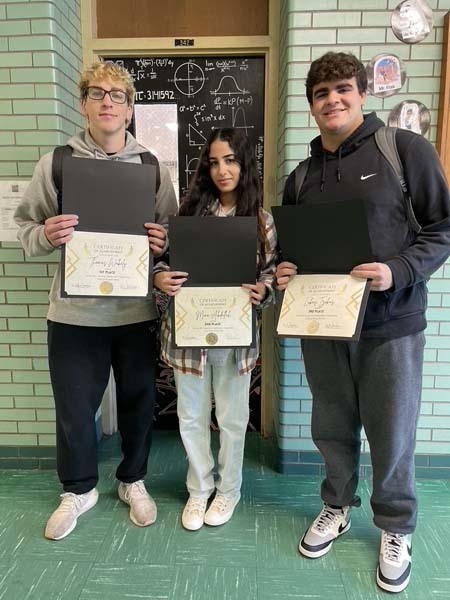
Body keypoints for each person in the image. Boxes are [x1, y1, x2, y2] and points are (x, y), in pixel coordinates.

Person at [276, 52, 450, 593]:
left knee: (391, 432)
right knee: (331, 427)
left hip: (391, 324)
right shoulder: (301, 175)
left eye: (343, 89)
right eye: (322, 93)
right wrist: (285, 269)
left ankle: (395, 527)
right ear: (310, 105)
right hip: (323, 325)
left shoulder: (404, 150)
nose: (333, 100)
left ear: (362, 94)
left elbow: (442, 228)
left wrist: (397, 269)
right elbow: (292, 248)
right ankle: (336, 506)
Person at [14, 61, 178, 540]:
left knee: (138, 402)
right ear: (83, 103)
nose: (108, 102)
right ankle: (78, 489)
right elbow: (24, 230)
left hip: (135, 311)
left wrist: (161, 242)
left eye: (118, 95)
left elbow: (171, 235)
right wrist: (45, 233)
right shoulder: (58, 163)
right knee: (73, 407)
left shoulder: (152, 167)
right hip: (73, 313)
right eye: (97, 93)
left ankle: (133, 480)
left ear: (130, 108)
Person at [154, 128, 277, 531]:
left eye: (231, 160)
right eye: (214, 162)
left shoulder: (262, 221)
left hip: (235, 339)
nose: (222, 170)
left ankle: (228, 490)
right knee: (190, 417)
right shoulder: (189, 215)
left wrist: (265, 289)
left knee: (232, 418)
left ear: (245, 164)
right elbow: (161, 263)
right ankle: (199, 488)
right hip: (189, 337)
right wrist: (160, 279)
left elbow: (274, 273)